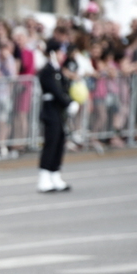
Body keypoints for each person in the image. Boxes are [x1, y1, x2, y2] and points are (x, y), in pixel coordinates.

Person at [37, 40, 78, 192]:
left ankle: (55, 174)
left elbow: (64, 88)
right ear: (53, 53)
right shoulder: (47, 70)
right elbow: (55, 90)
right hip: (50, 111)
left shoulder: (57, 70)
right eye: (60, 52)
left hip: (58, 111)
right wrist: (68, 103)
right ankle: (44, 177)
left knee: (60, 142)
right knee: (51, 143)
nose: (63, 55)